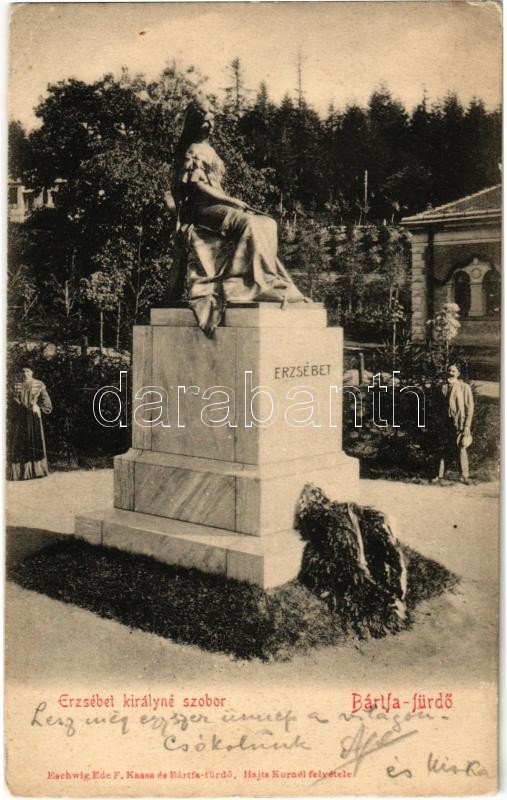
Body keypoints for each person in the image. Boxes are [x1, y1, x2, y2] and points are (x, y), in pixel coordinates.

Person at [168, 101, 307, 336]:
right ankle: (246, 282)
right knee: (250, 223)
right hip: (204, 211)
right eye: (204, 121)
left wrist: (230, 202)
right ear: (195, 124)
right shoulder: (193, 149)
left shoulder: (210, 150)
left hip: (219, 206)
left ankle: (265, 278)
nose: (209, 125)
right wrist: (232, 201)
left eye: (211, 120)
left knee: (268, 223)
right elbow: (196, 186)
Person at [8, 367, 52, 480]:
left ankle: (37, 471)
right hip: (20, 417)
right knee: (20, 442)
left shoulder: (39, 384)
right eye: (23, 371)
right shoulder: (16, 385)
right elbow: (11, 400)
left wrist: (40, 408)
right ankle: (20, 473)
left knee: (35, 440)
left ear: (32, 372)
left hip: (33, 416)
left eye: (28, 371)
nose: (25, 373)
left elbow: (46, 400)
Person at [435, 363, 474, 484]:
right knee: (442, 447)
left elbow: (470, 407)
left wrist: (467, 425)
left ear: (458, 373)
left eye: (453, 371)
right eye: (449, 371)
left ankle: (464, 476)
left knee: (461, 447)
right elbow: (438, 406)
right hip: (445, 422)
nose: (450, 373)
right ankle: (439, 476)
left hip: (459, 422)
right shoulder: (443, 387)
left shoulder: (464, 387)